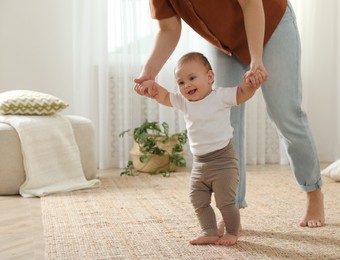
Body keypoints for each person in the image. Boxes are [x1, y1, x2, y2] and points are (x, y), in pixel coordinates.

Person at [134, 0, 325, 228]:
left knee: (285, 114)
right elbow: (169, 29)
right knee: (224, 121)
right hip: (224, 43)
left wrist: (257, 59)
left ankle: (313, 191)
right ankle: (231, 207)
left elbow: (251, 4)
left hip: (270, 25)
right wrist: (148, 73)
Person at [135, 52, 262, 246]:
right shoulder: (184, 101)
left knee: (225, 201)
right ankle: (209, 231)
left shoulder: (220, 96)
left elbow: (243, 93)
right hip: (200, 164)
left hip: (223, 162)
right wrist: (151, 88)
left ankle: (232, 231)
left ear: (210, 77)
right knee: (197, 199)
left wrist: (251, 84)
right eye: (181, 82)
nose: (186, 85)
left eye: (192, 78)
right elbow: (164, 95)